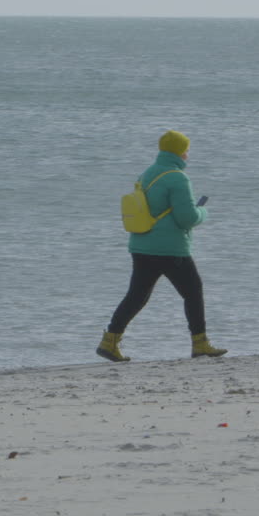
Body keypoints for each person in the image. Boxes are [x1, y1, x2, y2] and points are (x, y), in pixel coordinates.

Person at [97, 130, 227, 362]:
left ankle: (110, 340)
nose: (188, 154)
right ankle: (200, 344)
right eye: (186, 149)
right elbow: (186, 218)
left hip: (141, 245)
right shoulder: (178, 177)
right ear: (180, 152)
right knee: (193, 291)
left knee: (137, 296)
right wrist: (203, 212)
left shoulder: (148, 173)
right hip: (170, 248)